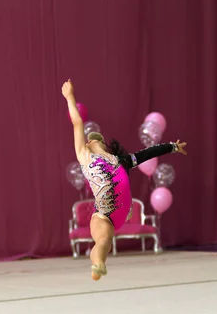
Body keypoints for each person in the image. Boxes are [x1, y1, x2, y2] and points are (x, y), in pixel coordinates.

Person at [62, 79, 187, 280]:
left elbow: (148, 153)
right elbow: (77, 122)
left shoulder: (122, 161)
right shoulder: (85, 157)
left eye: (91, 139)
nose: (88, 141)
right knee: (103, 242)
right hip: (104, 214)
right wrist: (70, 98)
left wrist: (172, 146)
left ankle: (99, 262)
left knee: (105, 241)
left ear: (98, 142)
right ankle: (98, 264)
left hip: (118, 213)